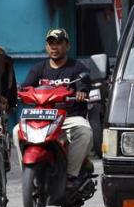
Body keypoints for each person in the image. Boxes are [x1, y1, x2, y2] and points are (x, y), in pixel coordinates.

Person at [15, 28, 94, 186]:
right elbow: (25, 87)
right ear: (46, 46)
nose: (54, 47)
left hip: (69, 118)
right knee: (16, 130)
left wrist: (81, 92)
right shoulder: (39, 68)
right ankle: (28, 171)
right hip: (42, 117)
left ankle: (71, 176)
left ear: (67, 46)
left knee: (85, 131)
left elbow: (82, 84)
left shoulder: (77, 68)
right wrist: (18, 92)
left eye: (58, 43)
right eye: (51, 43)